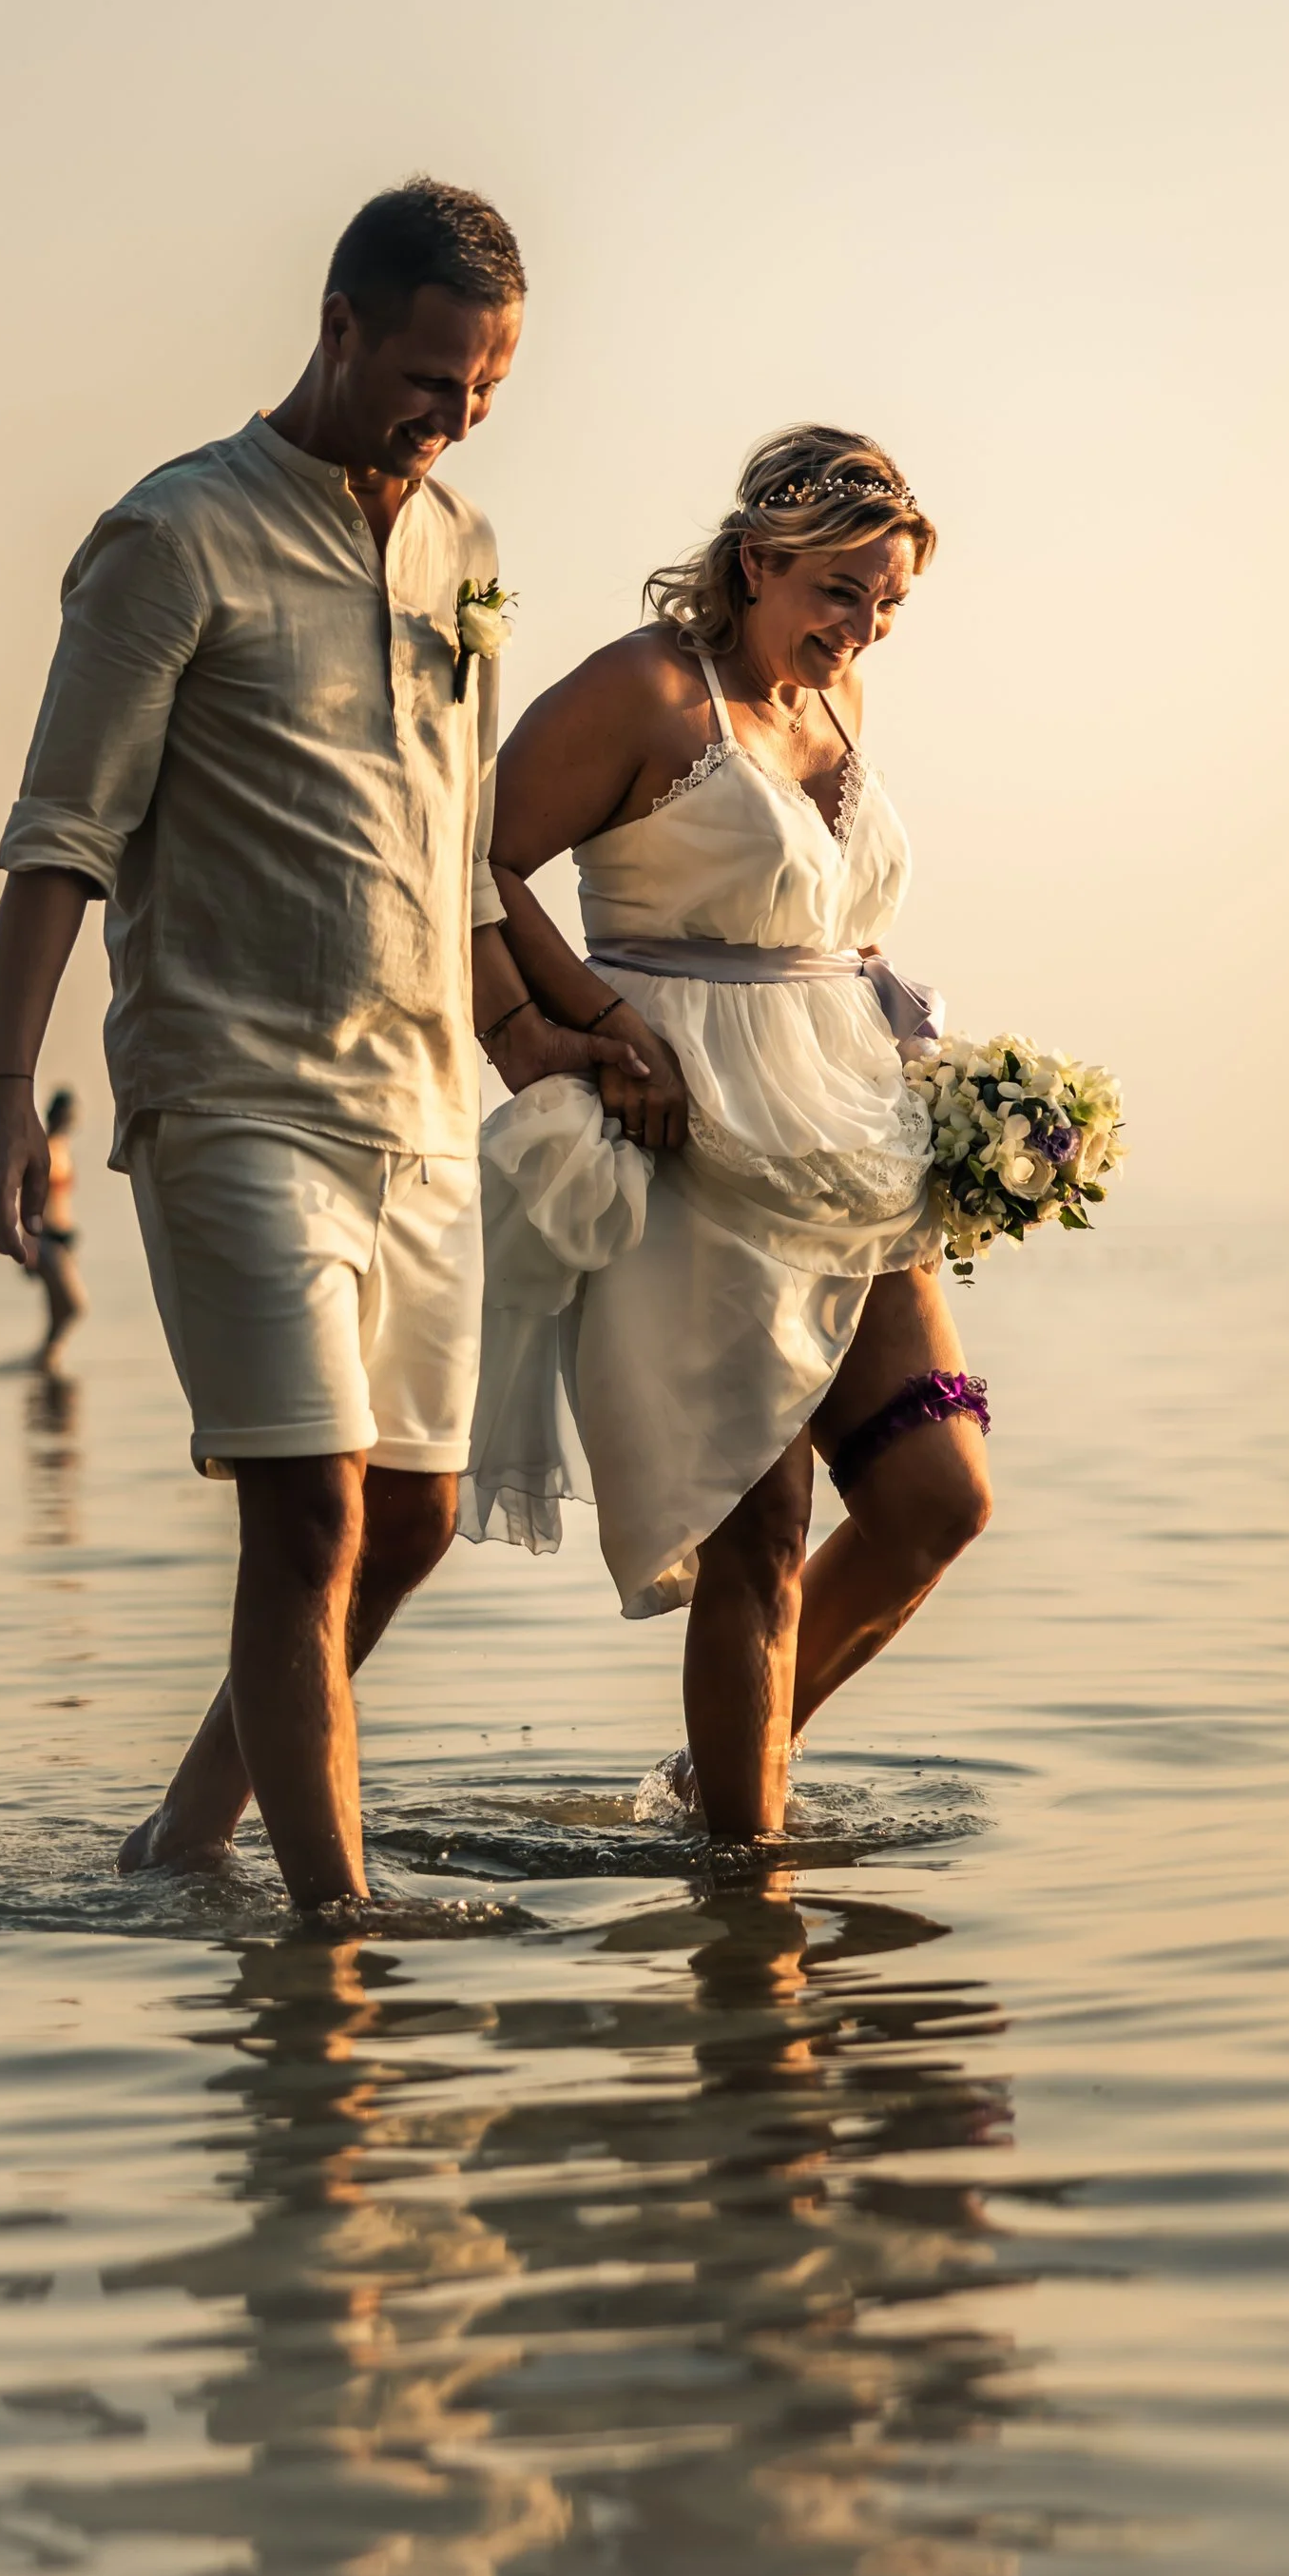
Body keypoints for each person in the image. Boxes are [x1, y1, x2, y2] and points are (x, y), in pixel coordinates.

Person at [0, 178, 641, 1908]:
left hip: (419, 1118)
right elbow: (62, 836)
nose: (453, 416)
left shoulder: (464, 551)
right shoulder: (172, 538)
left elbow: (453, 852)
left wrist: (541, 1043)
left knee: (407, 1523)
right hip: (235, 1101)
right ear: (335, 326)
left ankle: (182, 1843)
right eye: (427, 376)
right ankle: (334, 1932)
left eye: (484, 389)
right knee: (310, 1516)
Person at [464, 427, 993, 1840]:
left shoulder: (842, 704)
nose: (862, 625)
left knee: (938, 1495)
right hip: (693, 1136)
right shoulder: (646, 689)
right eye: (839, 590)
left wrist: (952, 1088)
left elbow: (832, 921)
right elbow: (474, 851)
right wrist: (576, 1025)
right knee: (759, 1531)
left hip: (848, 1132)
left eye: (886, 603)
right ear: (757, 559)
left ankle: (721, 1782)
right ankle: (748, 1896)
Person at [23, 1085, 85, 1369]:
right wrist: (29, 1243)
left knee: (58, 1308)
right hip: (45, 1237)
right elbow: (29, 1199)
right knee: (72, 1305)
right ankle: (45, 1356)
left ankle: (48, 1359)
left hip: (61, 1237)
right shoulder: (44, 1150)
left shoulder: (63, 1149)